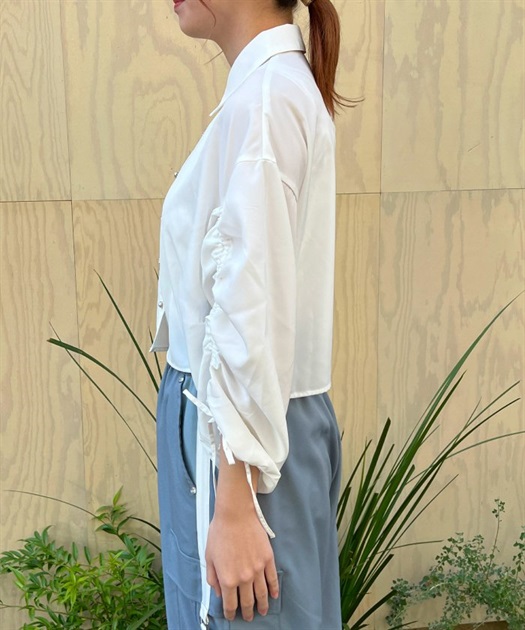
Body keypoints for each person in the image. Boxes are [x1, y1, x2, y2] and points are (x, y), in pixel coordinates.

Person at [150, 0, 361, 628]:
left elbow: (252, 303)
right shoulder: (263, 93)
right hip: (239, 435)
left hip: (245, 451)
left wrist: (237, 498)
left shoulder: (266, 100)